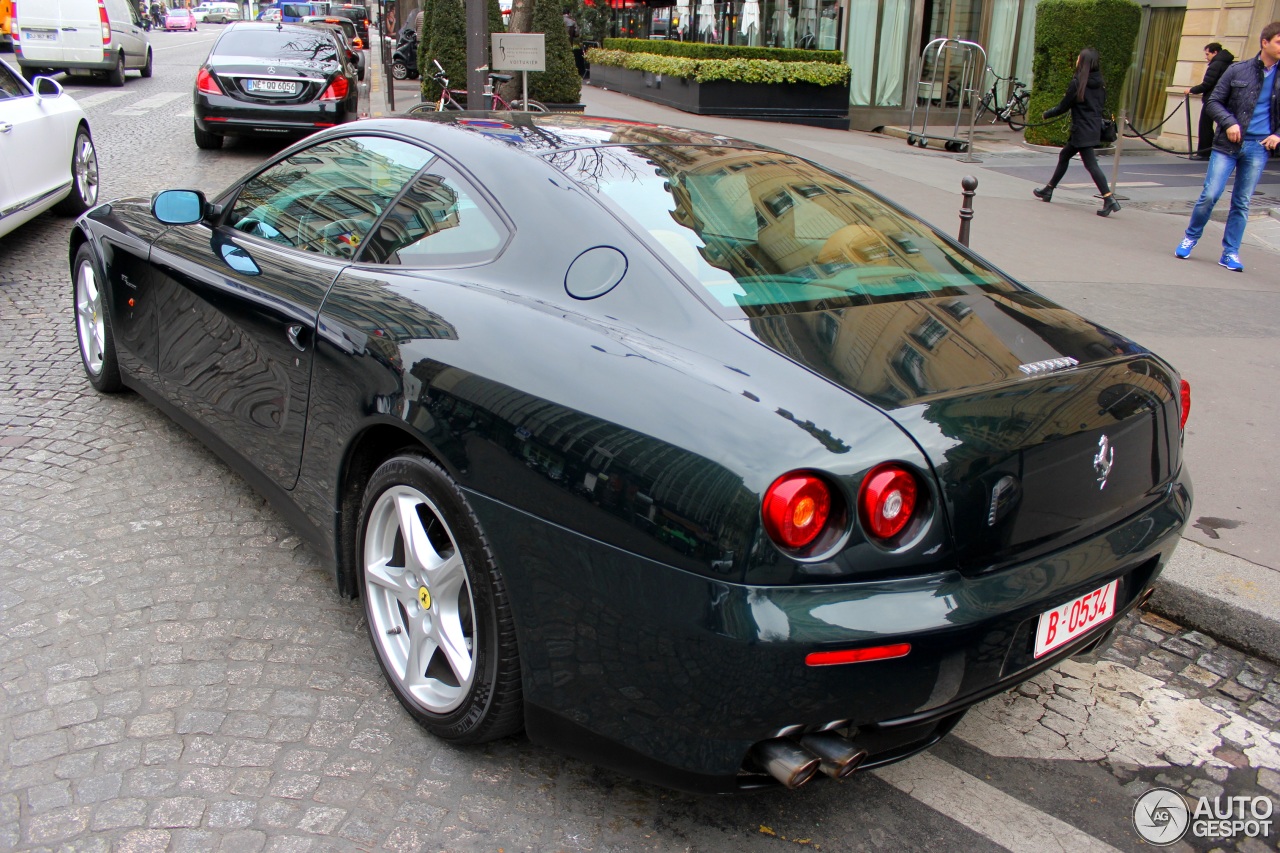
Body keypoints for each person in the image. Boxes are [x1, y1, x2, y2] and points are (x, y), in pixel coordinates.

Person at [1176, 22, 1280, 271]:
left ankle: (1230, 252)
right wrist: (1229, 122)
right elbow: (1213, 101)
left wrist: (1277, 135)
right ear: (1264, 42)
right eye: (1279, 41)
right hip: (1227, 144)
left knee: (1242, 202)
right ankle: (1191, 236)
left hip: (1258, 146)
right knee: (1210, 194)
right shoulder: (1238, 70)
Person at [1032, 47, 1120, 217]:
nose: (1077, 60)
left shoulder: (1078, 83)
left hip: (1081, 129)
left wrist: (1046, 114)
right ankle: (1048, 189)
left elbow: (1063, 106)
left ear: (1084, 62)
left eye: (1079, 58)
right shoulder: (1100, 83)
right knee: (1065, 155)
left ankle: (1109, 198)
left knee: (1091, 164)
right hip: (1092, 128)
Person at [1188, 42, 1235, 159]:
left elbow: (1207, 84)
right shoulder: (1230, 64)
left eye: (1208, 54)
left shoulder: (1216, 64)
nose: (1206, 57)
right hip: (1226, 99)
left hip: (1213, 99)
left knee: (1205, 125)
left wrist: (1192, 90)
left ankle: (1204, 152)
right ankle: (1220, 151)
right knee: (1223, 125)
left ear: (1215, 52)